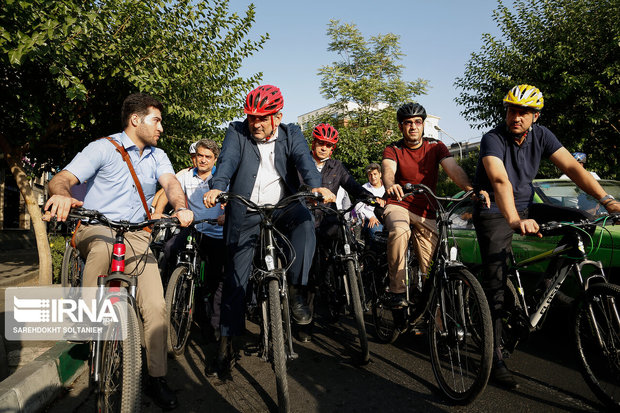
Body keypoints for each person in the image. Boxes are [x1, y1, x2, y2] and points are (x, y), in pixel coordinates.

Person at [44, 93, 194, 410]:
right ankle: (87, 322)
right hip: (97, 226)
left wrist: (180, 207)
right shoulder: (102, 149)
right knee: (101, 247)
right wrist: (60, 195)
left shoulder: (159, 157)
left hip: (138, 234)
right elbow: (62, 179)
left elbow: (171, 184)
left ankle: (156, 378)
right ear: (135, 119)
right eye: (157, 120)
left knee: (155, 305)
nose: (162, 128)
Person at [473, 84, 620, 389]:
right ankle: (495, 355)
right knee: (496, 281)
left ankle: (545, 287)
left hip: (528, 205)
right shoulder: (493, 138)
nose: (516, 117)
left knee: (581, 221)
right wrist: (513, 219)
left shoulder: (542, 135)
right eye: (512, 110)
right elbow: (498, 178)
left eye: (524, 112)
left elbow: (573, 168)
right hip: (496, 210)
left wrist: (606, 200)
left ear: (535, 116)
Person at [203, 85, 335, 378]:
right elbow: (226, 163)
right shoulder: (237, 132)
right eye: (252, 117)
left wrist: (316, 185)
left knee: (305, 224)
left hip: (283, 207)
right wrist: (217, 187)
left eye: (263, 118)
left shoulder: (291, 133)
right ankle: (224, 349)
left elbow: (303, 160)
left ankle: (297, 291)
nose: (256, 123)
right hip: (246, 210)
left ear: (277, 117)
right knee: (235, 280)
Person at [382, 102, 481, 310]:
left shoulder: (436, 146)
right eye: (408, 123)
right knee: (399, 231)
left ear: (423, 124)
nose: (413, 127)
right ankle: (397, 291)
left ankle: (437, 324)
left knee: (432, 271)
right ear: (401, 127)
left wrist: (470, 188)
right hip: (399, 203)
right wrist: (391, 185)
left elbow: (452, 168)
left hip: (426, 209)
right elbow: (388, 170)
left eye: (417, 122)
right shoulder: (393, 149)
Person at [302, 123, 378, 342]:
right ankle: (306, 321)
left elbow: (352, 185)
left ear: (332, 148)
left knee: (340, 250)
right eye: (321, 143)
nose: (324, 148)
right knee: (311, 271)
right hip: (307, 220)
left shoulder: (337, 166)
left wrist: (370, 198)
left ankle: (341, 284)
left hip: (330, 221)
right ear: (313, 143)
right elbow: (296, 187)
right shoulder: (302, 163)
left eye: (329, 145)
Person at [161, 138, 226, 341]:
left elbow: (232, 198)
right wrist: (158, 211)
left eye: (208, 157)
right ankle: (172, 288)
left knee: (215, 280)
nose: (203, 160)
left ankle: (214, 326)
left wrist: (227, 215)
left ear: (215, 159)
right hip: (192, 228)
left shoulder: (223, 179)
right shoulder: (187, 175)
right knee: (169, 249)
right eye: (200, 155)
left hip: (216, 233)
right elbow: (169, 191)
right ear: (195, 156)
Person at [151, 142, 197, 217]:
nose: (195, 160)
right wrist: (155, 210)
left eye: (197, 156)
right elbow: (167, 187)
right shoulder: (185, 172)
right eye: (193, 156)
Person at [354, 162, 386, 240]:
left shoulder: (387, 187)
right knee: (378, 236)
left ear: (380, 174)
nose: (373, 177)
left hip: (388, 219)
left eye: (375, 174)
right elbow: (358, 206)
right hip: (372, 220)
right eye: (370, 175)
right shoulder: (364, 188)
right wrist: (370, 217)